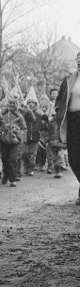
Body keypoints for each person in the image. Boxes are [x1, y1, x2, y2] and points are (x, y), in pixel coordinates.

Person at [53, 52, 80, 204]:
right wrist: (58, 112)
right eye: (79, 59)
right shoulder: (69, 78)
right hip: (72, 120)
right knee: (74, 158)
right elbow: (59, 100)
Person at [0, 96, 26, 187]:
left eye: (14, 103)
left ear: (16, 104)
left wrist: (18, 138)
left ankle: (13, 179)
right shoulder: (2, 114)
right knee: (4, 159)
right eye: (10, 103)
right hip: (4, 140)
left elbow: (24, 129)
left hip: (14, 141)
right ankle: (5, 175)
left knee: (12, 159)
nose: (11, 105)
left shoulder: (19, 116)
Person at [21, 90, 44, 176]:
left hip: (35, 136)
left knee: (32, 154)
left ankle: (31, 168)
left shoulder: (39, 114)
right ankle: (26, 167)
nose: (30, 104)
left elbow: (42, 125)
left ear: (35, 104)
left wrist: (40, 131)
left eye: (32, 102)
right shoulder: (23, 113)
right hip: (25, 136)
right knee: (24, 153)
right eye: (29, 102)